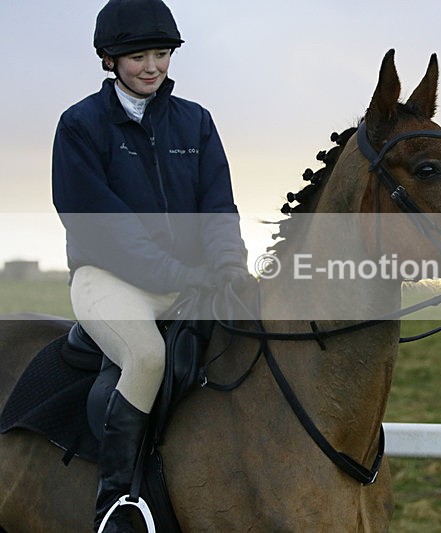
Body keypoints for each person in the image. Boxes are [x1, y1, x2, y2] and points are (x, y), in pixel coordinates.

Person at [51, 0, 253, 530]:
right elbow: (100, 225)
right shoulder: (79, 125)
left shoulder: (196, 121)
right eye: (137, 56)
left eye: (161, 54)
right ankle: (116, 504)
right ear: (108, 59)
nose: (151, 67)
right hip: (109, 280)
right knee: (145, 357)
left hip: (191, 280)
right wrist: (181, 276)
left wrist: (230, 266)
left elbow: (217, 206)